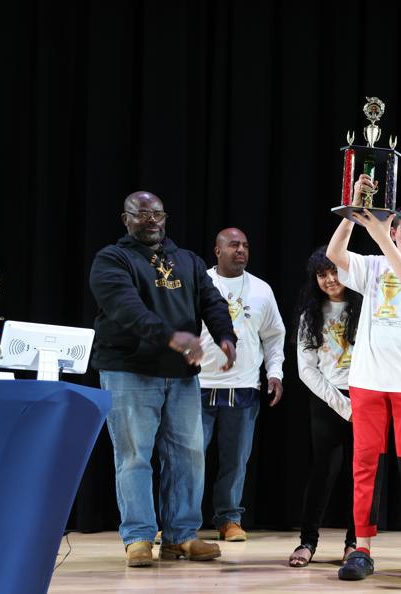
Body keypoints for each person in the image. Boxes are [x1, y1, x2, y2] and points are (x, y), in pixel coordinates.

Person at [90, 191, 236, 567]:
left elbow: (213, 302)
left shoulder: (187, 260)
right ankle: (138, 537)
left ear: (165, 218)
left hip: (180, 375)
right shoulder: (112, 258)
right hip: (129, 370)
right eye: (141, 214)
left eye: (156, 214)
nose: (150, 219)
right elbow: (125, 307)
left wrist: (225, 335)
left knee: (189, 457)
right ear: (126, 219)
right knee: (134, 456)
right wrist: (171, 336)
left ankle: (181, 536)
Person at [326, 174, 401, 581]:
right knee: (364, 464)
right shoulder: (373, 263)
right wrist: (354, 212)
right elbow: (335, 253)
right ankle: (362, 548)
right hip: (368, 380)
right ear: (394, 231)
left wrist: (380, 236)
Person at [196, 228, 285, 542]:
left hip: (245, 385)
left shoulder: (261, 289)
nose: (241, 250)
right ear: (217, 250)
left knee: (236, 459)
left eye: (245, 245)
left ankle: (228, 518)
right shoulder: (199, 282)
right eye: (233, 245)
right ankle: (180, 521)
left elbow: (274, 336)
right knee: (188, 458)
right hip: (198, 384)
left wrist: (275, 373)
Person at [287, 246, 362, 567]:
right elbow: (307, 370)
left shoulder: (368, 308)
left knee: (363, 475)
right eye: (322, 274)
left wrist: (359, 403)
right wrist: (343, 405)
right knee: (324, 471)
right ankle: (308, 540)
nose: (330, 279)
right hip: (327, 399)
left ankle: (356, 543)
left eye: (335, 272)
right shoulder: (309, 316)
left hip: (367, 397)